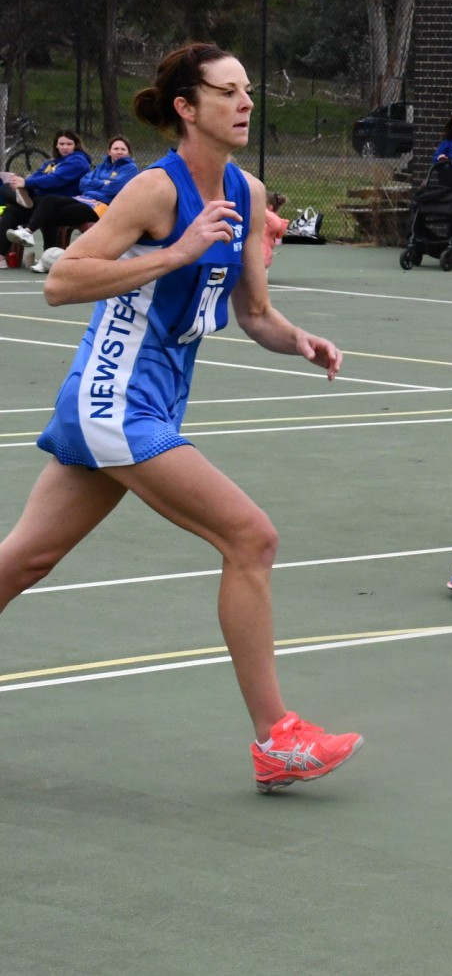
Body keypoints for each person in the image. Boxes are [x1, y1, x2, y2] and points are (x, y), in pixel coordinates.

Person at [0, 43, 361, 789]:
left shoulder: (249, 192)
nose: (246, 102)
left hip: (150, 400)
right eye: (229, 91)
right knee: (250, 535)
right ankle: (277, 738)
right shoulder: (153, 193)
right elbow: (60, 281)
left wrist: (298, 341)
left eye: (249, 90)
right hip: (114, 398)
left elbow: (253, 312)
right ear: (187, 108)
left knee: (24, 560)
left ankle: (276, 740)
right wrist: (175, 252)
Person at [24, 135, 140, 273]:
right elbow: (83, 183)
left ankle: (50, 258)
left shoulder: (130, 168)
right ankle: (30, 235)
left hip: (103, 206)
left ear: (128, 152)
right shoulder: (102, 166)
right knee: (50, 200)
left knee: (51, 214)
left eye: (123, 149)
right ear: (109, 151)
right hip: (85, 198)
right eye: (116, 148)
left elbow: (115, 188)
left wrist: (96, 186)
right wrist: (103, 183)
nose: (119, 151)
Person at [3, 129, 92, 267]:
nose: (65, 147)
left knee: (13, 195)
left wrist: (27, 183)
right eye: (61, 144)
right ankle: (1, 256)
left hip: (63, 201)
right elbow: (37, 175)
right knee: (12, 210)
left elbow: (56, 180)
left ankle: (23, 212)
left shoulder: (79, 161)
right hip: (43, 199)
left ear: (76, 145)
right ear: (56, 145)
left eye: (69, 144)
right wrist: (24, 182)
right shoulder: (53, 162)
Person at [261, 190, 290, 269]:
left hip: (261, 258)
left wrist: (260, 209)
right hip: (262, 257)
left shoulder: (269, 222)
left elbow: (277, 224)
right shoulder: (262, 220)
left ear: (269, 208)